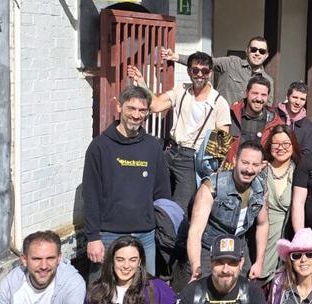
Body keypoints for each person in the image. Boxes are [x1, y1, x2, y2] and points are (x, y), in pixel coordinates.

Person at [82, 85, 171, 276]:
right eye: (131, 108)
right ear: (119, 107)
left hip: (145, 235)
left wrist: (157, 228)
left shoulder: (153, 147)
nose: (136, 115)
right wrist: (93, 237)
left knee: (146, 294)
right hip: (107, 236)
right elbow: (90, 195)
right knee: (101, 295)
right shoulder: (99, 147)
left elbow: (162, 194)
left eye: (142, 110)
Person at [129, 53, 231, 213]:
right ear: (189, 71)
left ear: (210, 73)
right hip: (171, 151)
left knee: (179, 208)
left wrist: (210, 171)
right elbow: (155, 106)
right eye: (195, 70)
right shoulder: (181, 90)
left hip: (192, 160)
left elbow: (222, 140)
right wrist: (141, 82)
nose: (199, 75)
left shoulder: (219, 102)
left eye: (204, 71)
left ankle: (173, 237)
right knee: (154, 195)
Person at [186, 140, 268, 282]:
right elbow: (195, 231)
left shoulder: (261, 189)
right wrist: (196, 267)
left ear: (261, 166)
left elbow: (263, 224)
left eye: (255, 165)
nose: (249, 169)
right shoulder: (212, 186)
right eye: (245, 162)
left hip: (238, 248)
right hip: (209, 249)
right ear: (235, 160)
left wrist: (259, 261)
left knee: (241, 296)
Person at [161, 36, 275, 105]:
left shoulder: (268, 81)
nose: (257, 53)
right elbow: (204, 62)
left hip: (246, 128)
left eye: (262, 51)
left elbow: (268, 108)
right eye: (254, 49)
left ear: (266, 55)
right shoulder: (231, 63)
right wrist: (175, 57)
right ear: (247, 51)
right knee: (215, 146)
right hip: (221, 121)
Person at [258, 125, 301, 286]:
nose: (281, 148)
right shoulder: (261, 170)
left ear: (293, 146)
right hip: (261, 238)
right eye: (276, 144)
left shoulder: (299, 173)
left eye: (286, 144)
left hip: (287, 238)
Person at [227, 76, 274, 162]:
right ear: (247, 93)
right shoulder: (230, 115)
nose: (259, 99)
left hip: (260, 172)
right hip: (231, 171)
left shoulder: (274, 122)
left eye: (263, 95)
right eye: (255, 93)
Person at [270, 81, 312, 154]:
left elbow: (307, 156)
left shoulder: (310, 128)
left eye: (302, 99)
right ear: (287, 96)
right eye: (295, 97)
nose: (298, 102)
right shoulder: (272, 114)